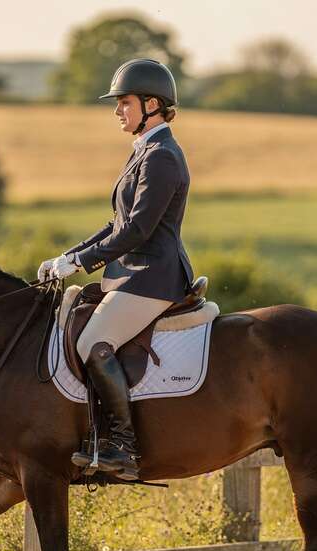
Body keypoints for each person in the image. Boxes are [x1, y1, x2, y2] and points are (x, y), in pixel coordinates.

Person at [37, 58, 196, 481]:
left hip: (153, 276)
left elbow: (140, 230)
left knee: (94, 342)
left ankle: (121, 445)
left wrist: (82, 263)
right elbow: (117, 225)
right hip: (134, 273)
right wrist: (68, 256)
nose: (117, 111)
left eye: (124, 102)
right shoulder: (144, 152)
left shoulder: (161, 156)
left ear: (152, 104)